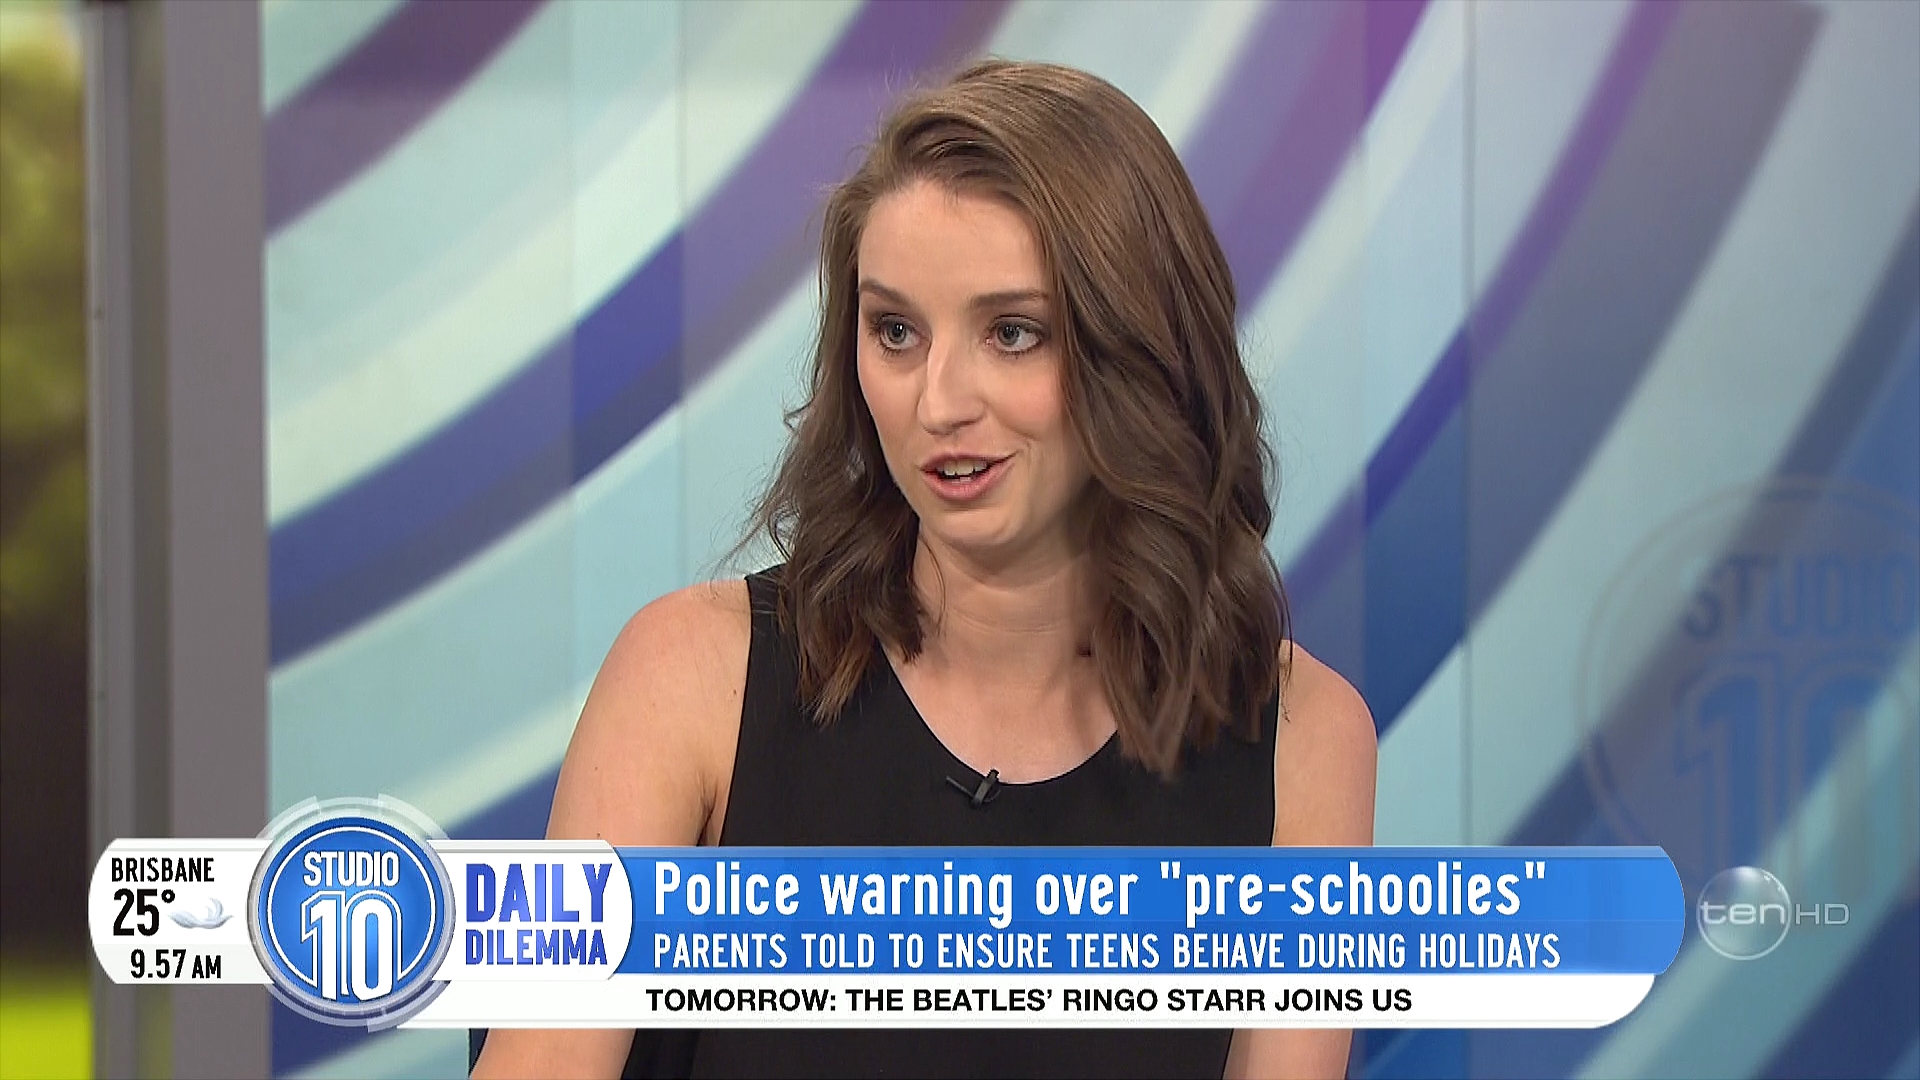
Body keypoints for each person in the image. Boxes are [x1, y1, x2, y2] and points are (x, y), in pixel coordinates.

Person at [472, 59, 1376, 1080]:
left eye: (1012, 333)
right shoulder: (689, 674)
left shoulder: (1301, 739)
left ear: (1141, 355)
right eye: (895, 331)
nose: (938, 401)